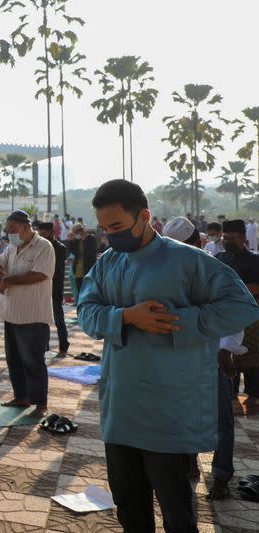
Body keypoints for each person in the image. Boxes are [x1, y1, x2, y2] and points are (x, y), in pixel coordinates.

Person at [77, 180, 259, 532]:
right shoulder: (108, 262)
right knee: (130, 507)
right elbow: (87, 312)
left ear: (143, 216)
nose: (110, 236)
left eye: (116, 227)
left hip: (168, 411)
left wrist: (179, 321)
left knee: (177, 510)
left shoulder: (189, 260)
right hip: (121, 408)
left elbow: (242, 307)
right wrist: (127, 317)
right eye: (104, 229)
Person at [162, 215, 240, 500]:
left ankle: (221, 476)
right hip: (179, 357)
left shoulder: (216, 272)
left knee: (221, 421)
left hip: (212, 355)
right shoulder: (168, 274)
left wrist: (225, 351)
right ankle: (189, 461)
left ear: (198, 243)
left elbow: (234, 315)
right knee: (181, 414)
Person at [0, 210, 55, 418]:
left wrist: (9, 280)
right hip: (11, 313)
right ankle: (21, 397)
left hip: (32, 315)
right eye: (7, 230)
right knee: (14, 359)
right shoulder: (11, 247)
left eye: (13, 230)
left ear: (26, 228)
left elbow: (39, 274)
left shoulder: (43, 247)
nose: (9, 234)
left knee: (33, 361)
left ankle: (40, 403)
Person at [217, 219, 259, 415]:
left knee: (251, 359)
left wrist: (235, 289)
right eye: (225, 238)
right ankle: (231, 396)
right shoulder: (219, 258)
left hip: (250, 318)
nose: (227, 241)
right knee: (225, 355)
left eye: (232, 238)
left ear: (243, 237)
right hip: (224, 315)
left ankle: (253, 397)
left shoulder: (254, 260)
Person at [37, 222, 70, 357]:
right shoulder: (39, 247)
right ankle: (45, 346)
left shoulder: (60, 248)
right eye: (40, 234)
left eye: (44, 234)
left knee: (58, 318)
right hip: (42, 287)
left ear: (51, 233)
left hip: (55, 287)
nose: (42, 237)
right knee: (43, 318)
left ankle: (64, 345)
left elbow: (55, 269)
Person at [67, 222, 97, 297]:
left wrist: (84, 240)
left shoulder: (91, 238)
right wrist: (71, 241)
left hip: (88, 268)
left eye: (75, 232)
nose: (75, 234)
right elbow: (72, 251)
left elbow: (91, 253)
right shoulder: (77, 240)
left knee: (89, 290)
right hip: (78, 269)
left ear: (80, 231)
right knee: (80, 290)